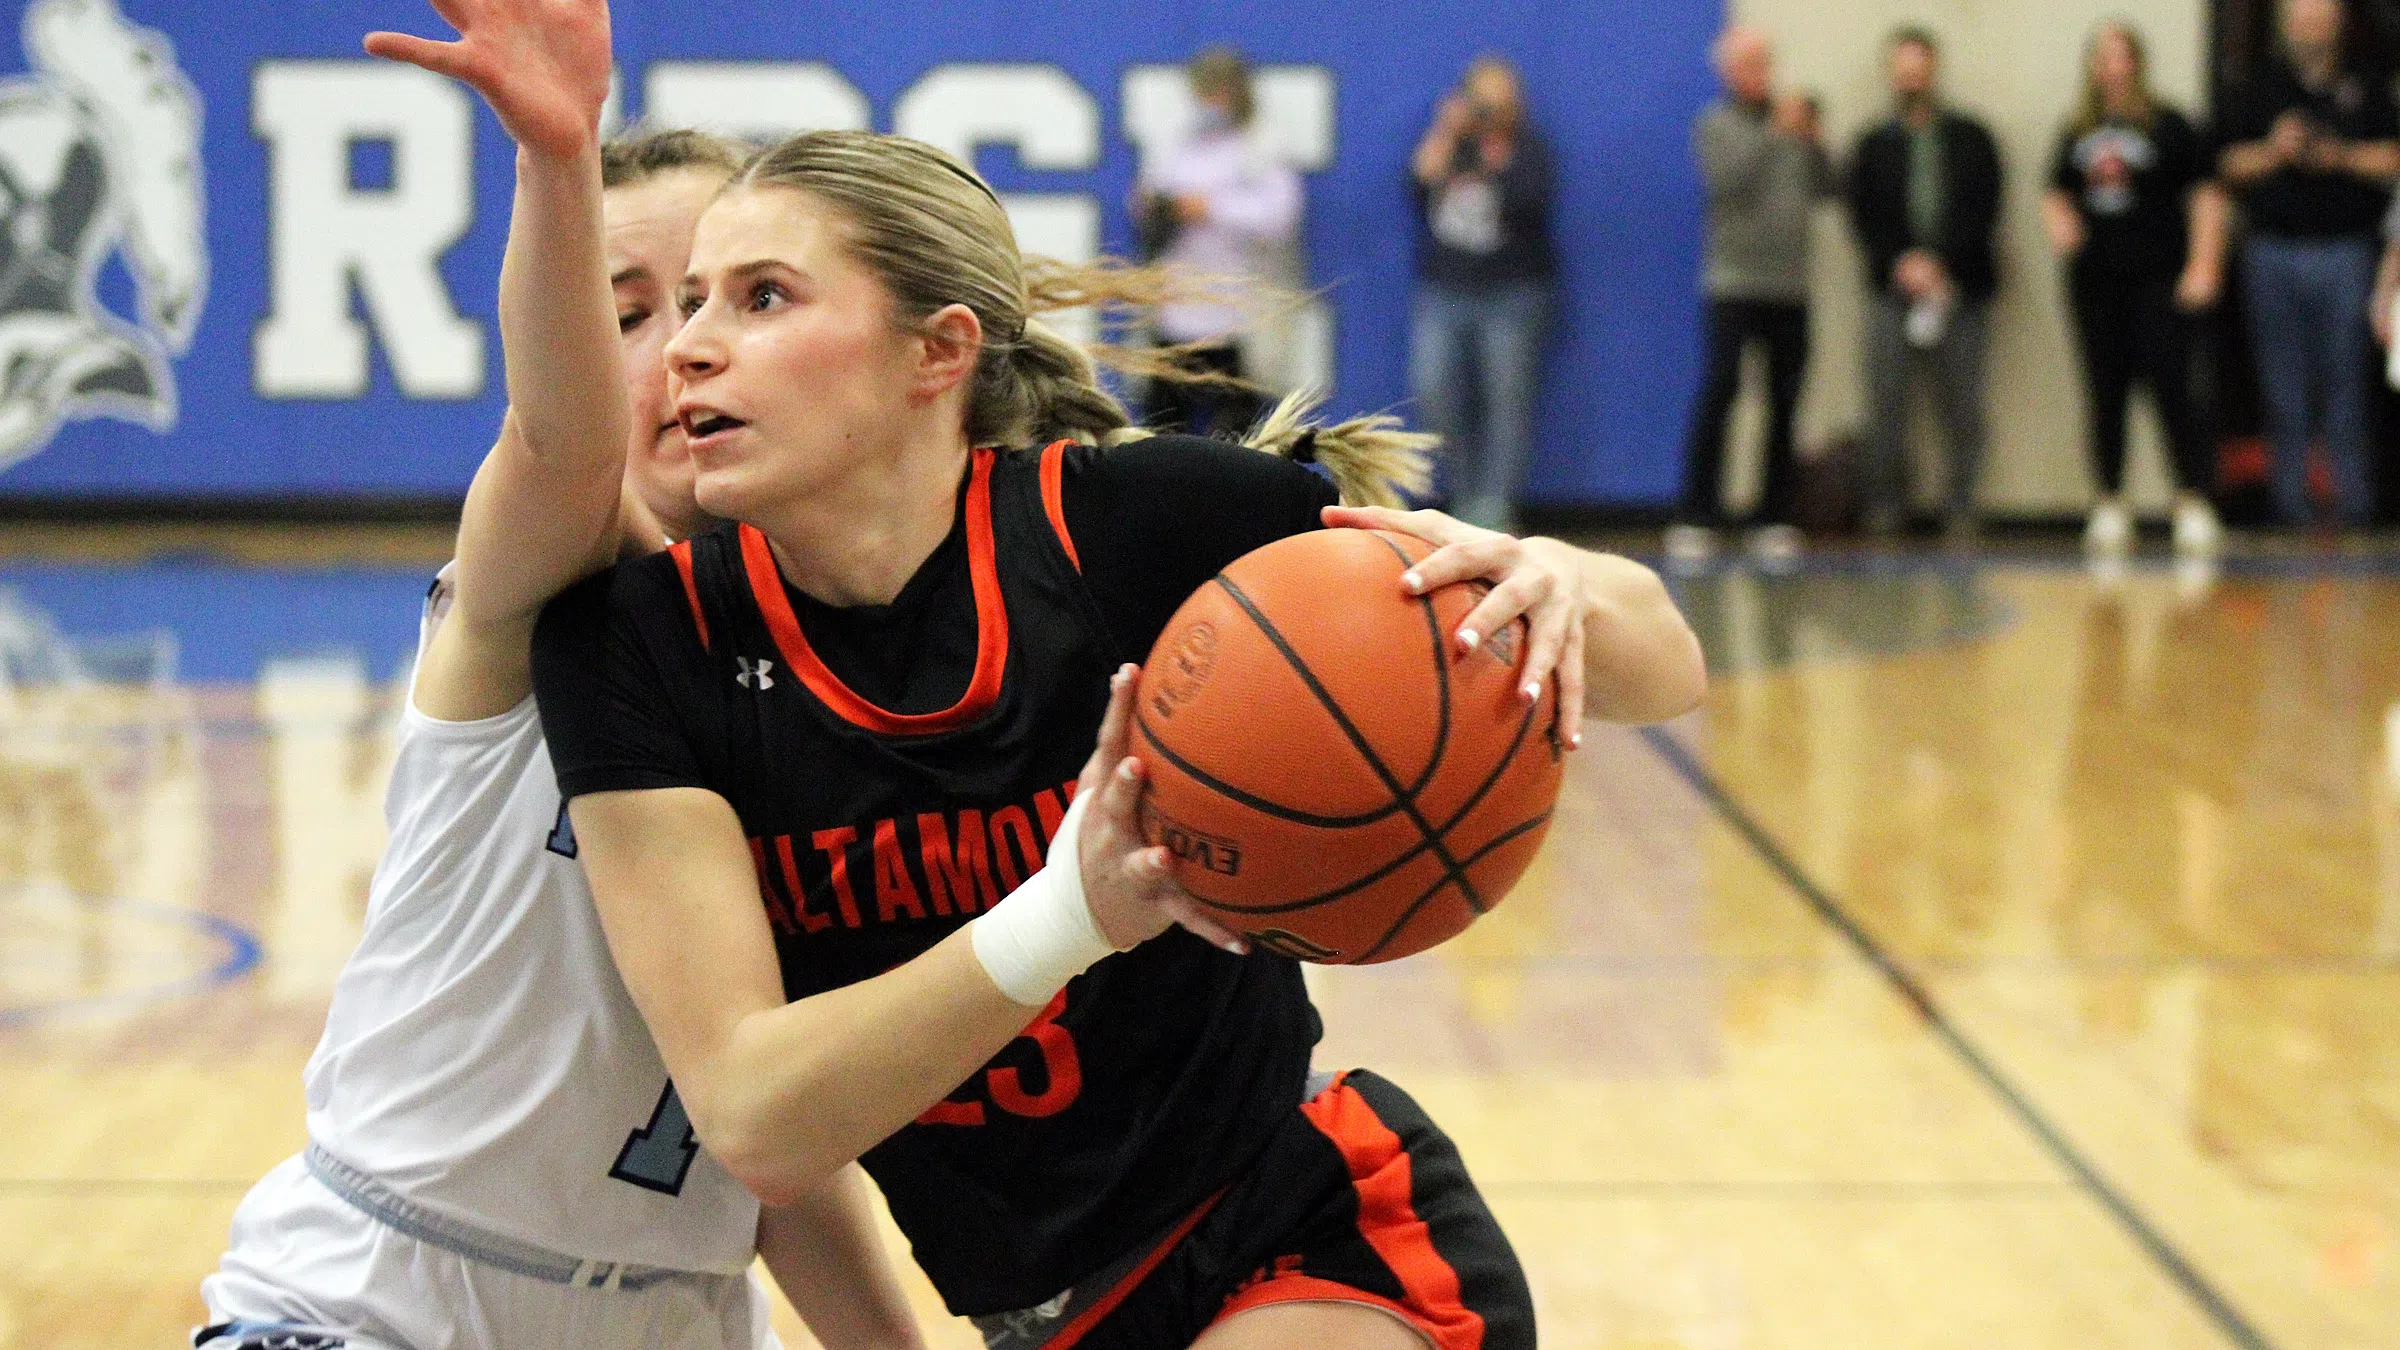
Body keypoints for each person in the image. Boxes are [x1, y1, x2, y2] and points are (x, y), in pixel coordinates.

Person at [528, 123, 1707, 1350]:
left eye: (761, 298)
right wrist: (1070, 916)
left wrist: (1557, 581)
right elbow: (758, 1120)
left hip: (1306, 1228)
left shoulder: (1137, 531)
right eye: (688, 302)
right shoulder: (638, 647)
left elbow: (1666, 665)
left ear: (936, 354)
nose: (692, 347)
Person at [194, 5, 920, 1349]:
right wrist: (555, 159)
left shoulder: (860, 674)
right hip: (379, 1300)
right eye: (627, 310)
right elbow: (566, 439)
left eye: (723, 298)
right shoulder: (540, 582)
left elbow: (764, 1131)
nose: (683, 344)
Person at [2042, 21, 2230, 559]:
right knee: (2105, 392)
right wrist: (2063, 227)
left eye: (2121, 55)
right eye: (2102, 55)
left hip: (2158, 280)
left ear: (2137, 62)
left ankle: (2191, 500)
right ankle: (2109, 500)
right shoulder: (2078, 130)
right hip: (2097, 283)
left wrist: (2204, 263)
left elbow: (2206, 195)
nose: (2112, 66)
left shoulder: (2169, 125)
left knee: (2173, 389)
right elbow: (2056, 189)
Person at [2220, 0, 2399, 527]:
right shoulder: (2260, 86)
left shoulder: (2367, 85)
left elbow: (2394, 155)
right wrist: (2276, 150)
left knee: (2347, 386)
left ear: (2338, 25)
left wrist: (2338, 156)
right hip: (2272, 251)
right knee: (2283, 388)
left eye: (2321, 18)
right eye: (2301, 18)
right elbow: (2225, 163)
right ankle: (2290, 511)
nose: (2311, 29)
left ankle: (2355, 508)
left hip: (2347, 250)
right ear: (2285, 26)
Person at [1670, 25, 1835, 566]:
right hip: (1734, 283)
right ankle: (1699, 513)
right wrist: (1775, 134)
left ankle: (1774, 515)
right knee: (1721, 393)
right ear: (1728, 72)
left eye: (1766, 62)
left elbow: (1830, 188)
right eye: (1750, 64)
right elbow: (1727, 180)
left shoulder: (1793, 125)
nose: (1761, 74)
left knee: (1785, 400)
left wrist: (1815, 141)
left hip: (1791, 286)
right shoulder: (1715, 124)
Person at [1846, 27, 2004, 540]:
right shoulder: (1873, 143)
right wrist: (1902, 262)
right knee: (1885, 402)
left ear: (1934, 70)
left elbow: (1985, 206)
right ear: (1893, 73)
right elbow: (1862, 214)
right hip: (1891, 291)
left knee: (1963, 404)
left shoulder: (1970, 137)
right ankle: (1887, 508)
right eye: (1903, 67)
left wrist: (1942, 264)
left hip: (1959, 289)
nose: (1912, 77)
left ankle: (1961, 507)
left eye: (1921, 66)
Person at [1409, 55, 1559, 533]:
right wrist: (1448, 129)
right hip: (1445, 288)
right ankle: (1463, 492)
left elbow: (1530, 204)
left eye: (1500, 101)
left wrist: (1499, 158)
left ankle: (1494, 509)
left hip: (1512, 294)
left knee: (1506, 400)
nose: (1490, 111)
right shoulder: (1452, 141)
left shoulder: (1529, 149)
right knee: (1434, 388)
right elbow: (1417, 182)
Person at [1133, 46, 1302, 439]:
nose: (1210, 102)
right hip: (1175, 314)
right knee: (1163, 434)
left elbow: (1280, 215)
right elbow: (1148, 200)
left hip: (1237, 321)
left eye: (1219, 92)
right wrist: (1159, 209)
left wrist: (1209, 207)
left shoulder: (1260, 144)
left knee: (1239, 439)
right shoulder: (1177, 143)